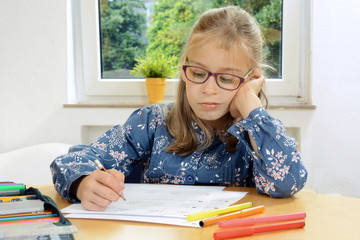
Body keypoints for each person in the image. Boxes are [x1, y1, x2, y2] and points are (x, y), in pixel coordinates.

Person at [50, 6, 307, 211]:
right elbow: (73, 160)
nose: (209, 89)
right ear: (185, 69)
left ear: (252, 78)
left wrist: (253, 110)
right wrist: (84, 183)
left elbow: (287, 182)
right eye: (198, 73)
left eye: (227, 79)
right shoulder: (150, 123)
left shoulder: (260, 135)